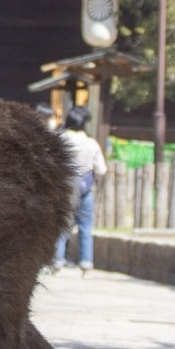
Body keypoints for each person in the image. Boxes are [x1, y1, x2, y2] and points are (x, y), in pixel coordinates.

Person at [54, 106, 107, 272]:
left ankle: (57, 261)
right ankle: (86, 262)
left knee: (61, 227)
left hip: (64, 189)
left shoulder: (59, 139)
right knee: (85, 228)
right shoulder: (91, 143)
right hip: (84, 191)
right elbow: (101, 169)